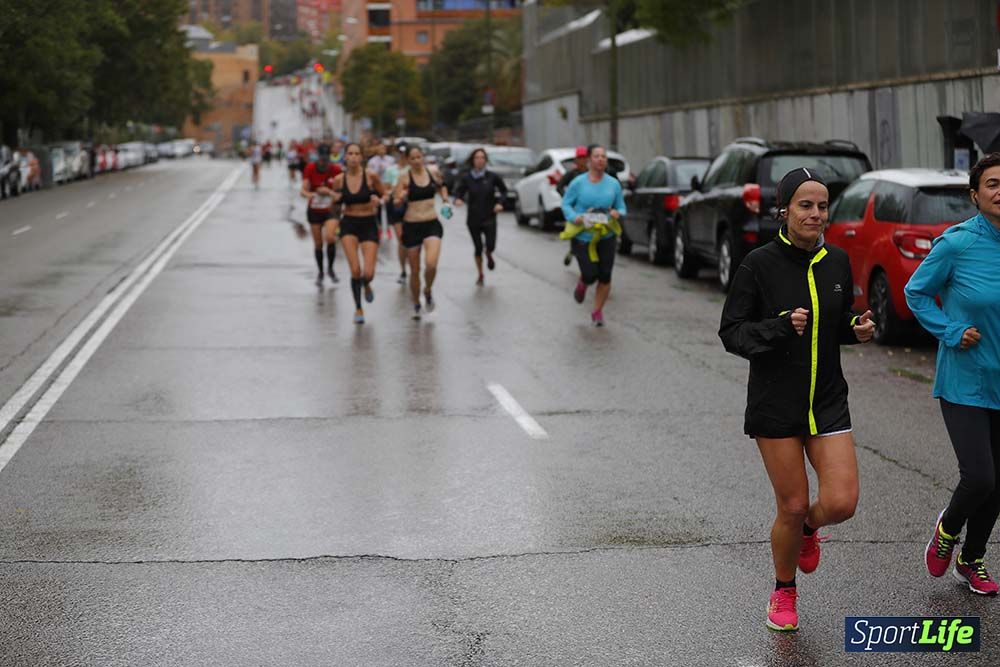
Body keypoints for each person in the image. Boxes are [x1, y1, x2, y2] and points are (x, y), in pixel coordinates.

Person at [719, 167, 875, 632]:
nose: (815, 214)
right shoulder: (757, 264)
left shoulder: (837, 262)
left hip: (827, 399)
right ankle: (783, 591)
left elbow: (835, 319)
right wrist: (779, 326)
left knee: (842, 502)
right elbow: (731, 332)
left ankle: (809, 530)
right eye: (805, 205)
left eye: (822, 205)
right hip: (776, 405)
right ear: (784, 210)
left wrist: (853, 328)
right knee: (790, 504)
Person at [906, 153, 1000, 596]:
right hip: (966, 379)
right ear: (975, 195)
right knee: (980, 476)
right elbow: (916, 293)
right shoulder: (956, 243)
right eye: (993, 184)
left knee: (999, 482)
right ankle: (947, 530)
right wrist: (951, 330)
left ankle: (972, 559)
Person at [558, 144, 626, 326]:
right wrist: (575, 217)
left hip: (606, 235)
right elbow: (566, 204)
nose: (601, 159)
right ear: (589, 160)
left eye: (604, 156)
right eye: (597, 156)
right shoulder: (578, 183)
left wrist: (616, 213)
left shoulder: (613, 183)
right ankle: (583, 283)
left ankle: (597, 311)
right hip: (584, 236)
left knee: (605, 275)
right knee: (590, 274)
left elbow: (621, 206)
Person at [330, 143, 386, 324]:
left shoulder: (371, 176)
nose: (353, 157)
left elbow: (386, 194)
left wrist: (380, 200)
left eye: (356, 154)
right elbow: (335, 206)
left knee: (368, 273)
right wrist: (335, 201)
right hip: (349, 224)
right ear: (345, 157)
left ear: (362, 157)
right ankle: (358, 308)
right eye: (350, 154)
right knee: (355, 270)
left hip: (369, 223)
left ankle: (367, 284)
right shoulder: (339, 179)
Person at [394, 146, 450, 320]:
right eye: (413, 158)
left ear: (423, 158)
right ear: (408, 161)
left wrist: (446, 201)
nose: (417, 161)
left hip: (432, 223)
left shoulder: (432, 172)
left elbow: (442, 187)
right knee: (415, 270)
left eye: (419, 157)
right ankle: (416, 303)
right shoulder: (404, 177)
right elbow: (396, 202)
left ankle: (428, 290)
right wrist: (401, 197)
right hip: (412, 227)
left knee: (431, 264)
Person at [452, 147, 508, 286]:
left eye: (482, 157)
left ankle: (489, 253)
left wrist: (500, 203)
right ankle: (480, 274)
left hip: (490, 216)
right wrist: (458, 199)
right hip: (473, 218)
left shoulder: (492, 176)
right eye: (477, 157)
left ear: (486, 160)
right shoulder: (467, 177)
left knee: (490, 245)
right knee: (477, 248)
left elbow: (504, 191)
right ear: (472, 160)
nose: (480, 160)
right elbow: (457, 191)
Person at [300, 144, 343, 286]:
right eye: (321, 159)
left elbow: (341, 193)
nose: (324, 162)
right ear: (318, 157)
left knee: (330, 237)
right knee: (318, 243)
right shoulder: (310, 168)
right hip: (315, 210)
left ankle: (330, 268)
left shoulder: (336, 170)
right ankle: (320, 272)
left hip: (331, 210)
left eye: (326, 159)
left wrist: (330, 193)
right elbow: (303, 191)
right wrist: (314, 194)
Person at [557, 146, 590, 266]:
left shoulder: (592, 174)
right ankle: (573, 251)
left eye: (584, 158)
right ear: (576, 160)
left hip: (590, 209)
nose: (582, 161)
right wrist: (568, 199)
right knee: (575, 232)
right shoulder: (571, 174)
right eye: (580, 158)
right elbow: (559, 186)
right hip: (576, 209)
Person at [383, 145, 410, 284]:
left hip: (411, 205)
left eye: (405, 153)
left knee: (412, 238)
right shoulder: (390, 170)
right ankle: (403, 270)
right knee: (401, 239)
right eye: (400, 153)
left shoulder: (412, 169)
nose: (403, 156)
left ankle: (413, 265)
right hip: (395, 204)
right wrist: (390, 192)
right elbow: (385, 189)